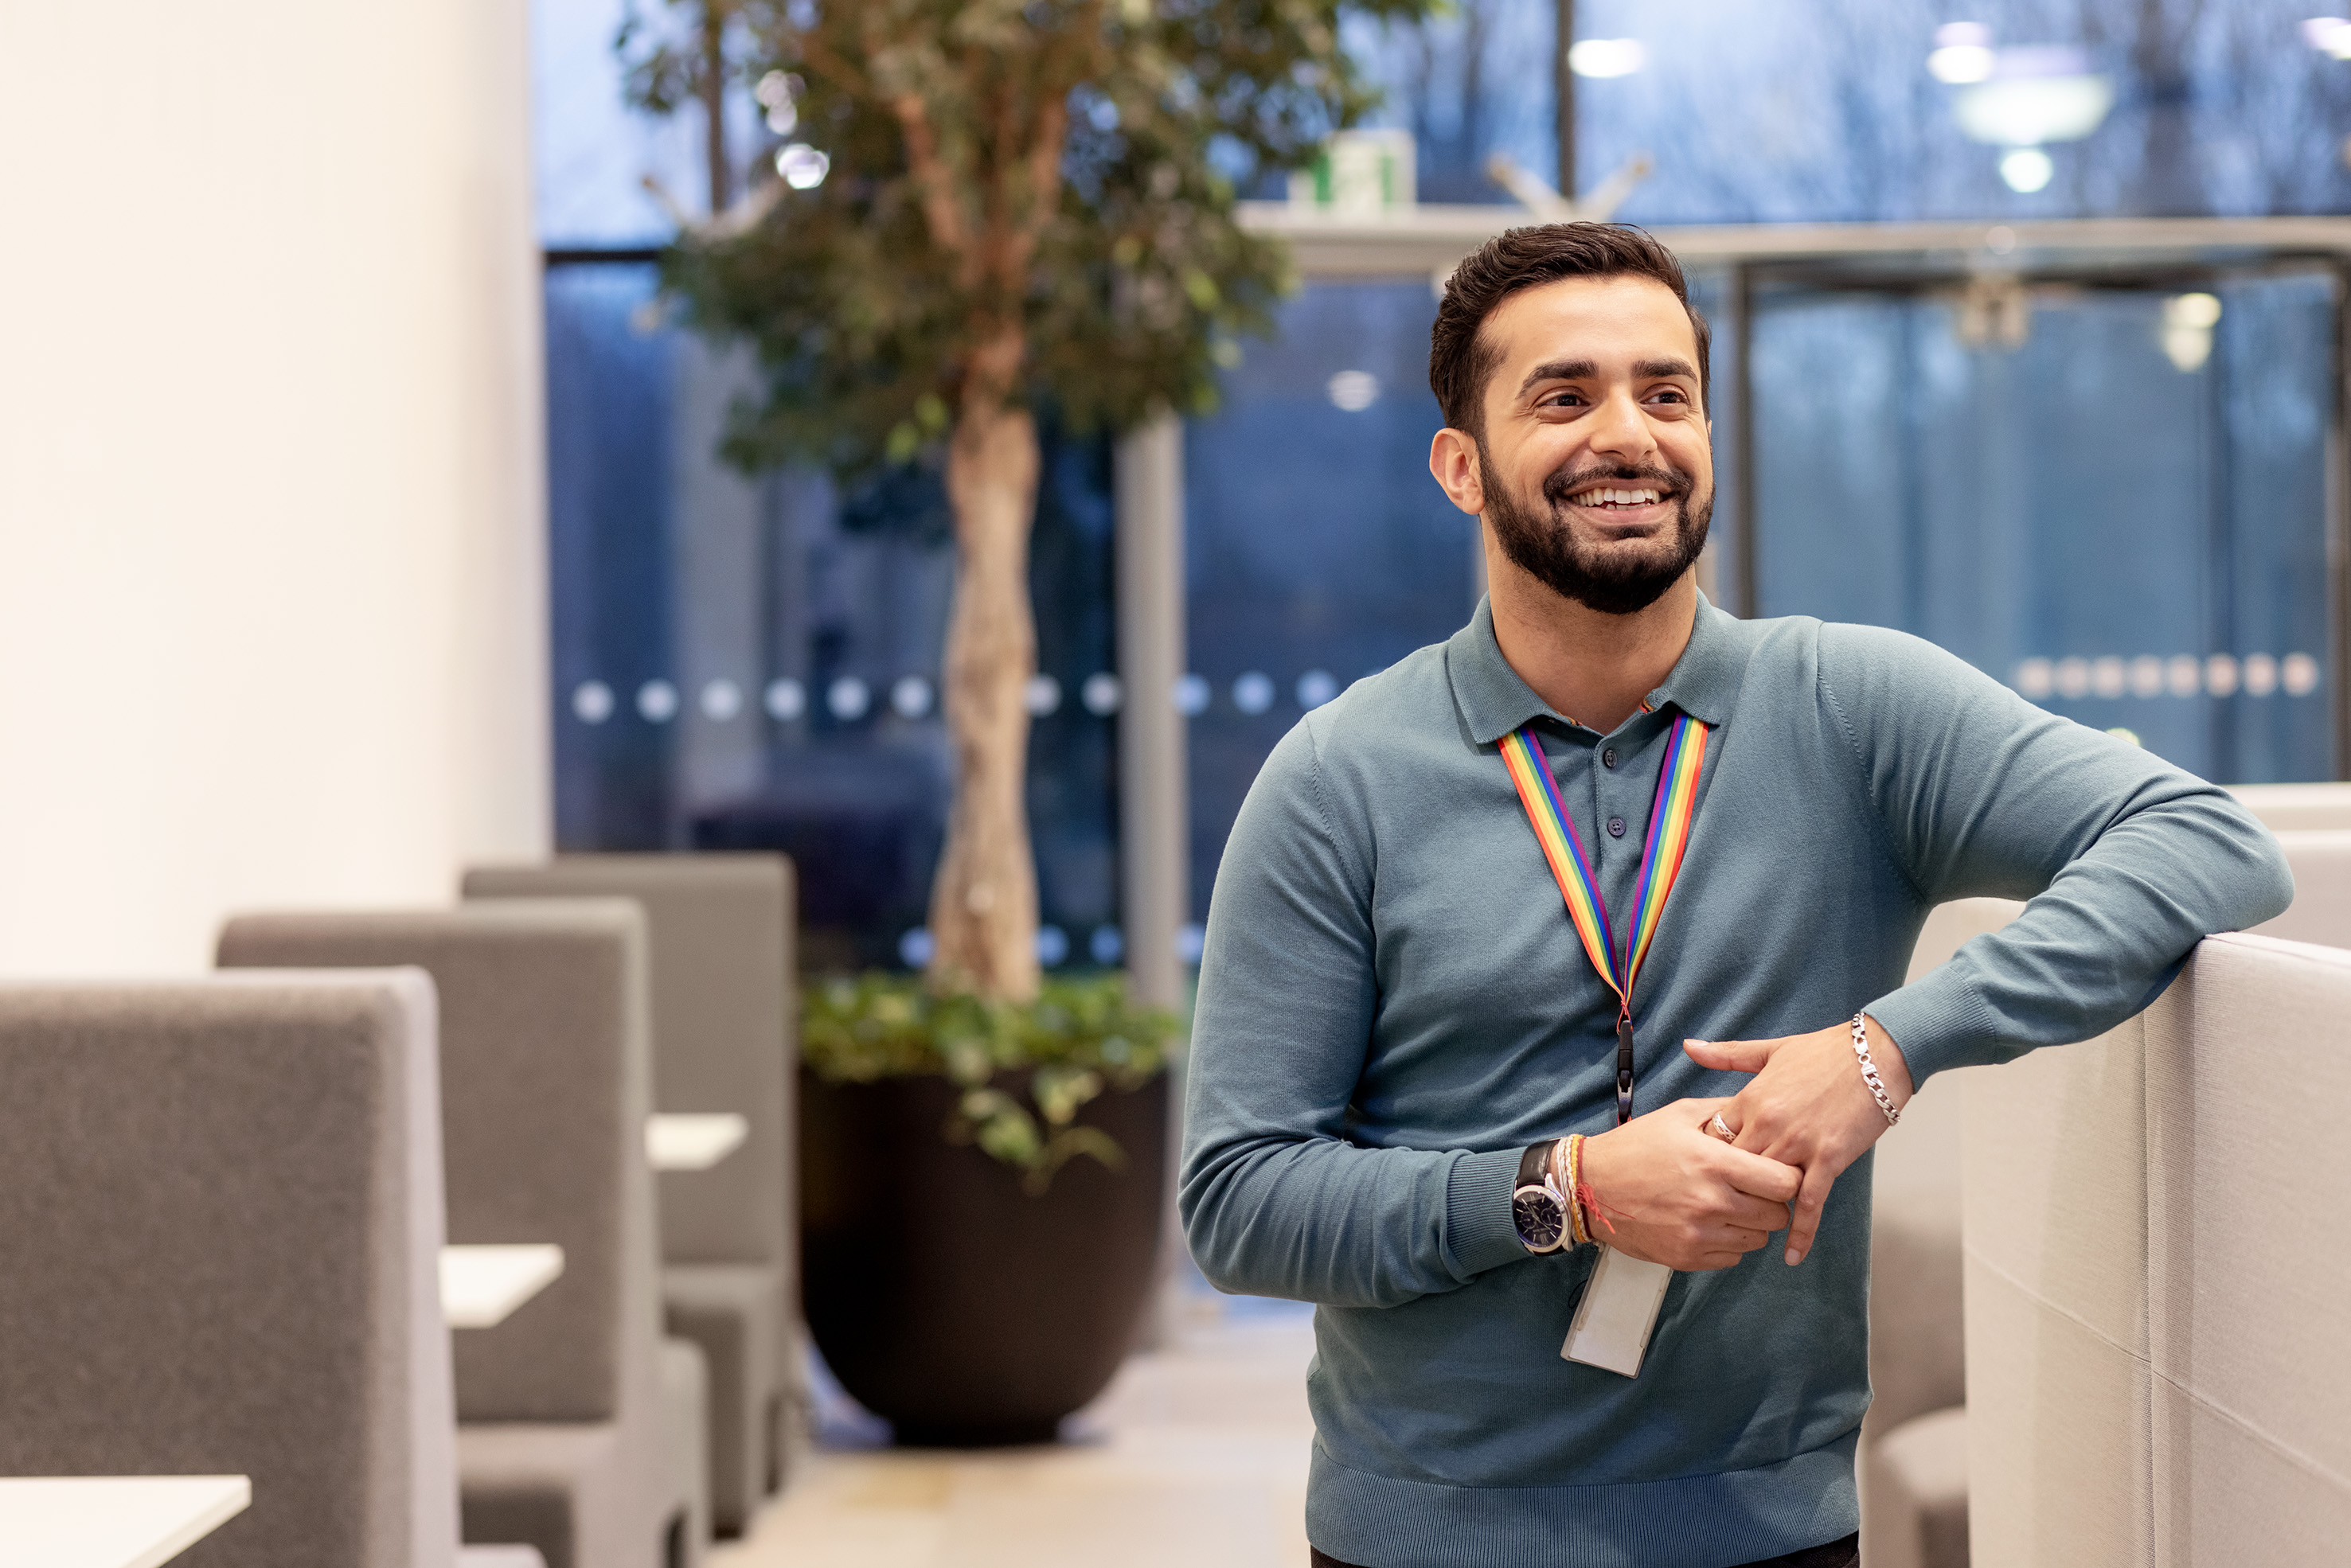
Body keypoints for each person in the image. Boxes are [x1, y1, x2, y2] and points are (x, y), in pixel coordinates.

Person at [1177, 221, 2292, 1568]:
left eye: (1666, 392)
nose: (1627, 434)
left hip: (1771, 1528)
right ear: (1459, 467)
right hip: (1421, 1533)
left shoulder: (1846, 705)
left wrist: (1884, 1050)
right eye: (1562, 394)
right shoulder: (1337, 777)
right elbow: (1239, 1200)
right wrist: (1568, 1188)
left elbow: (2204, 841)